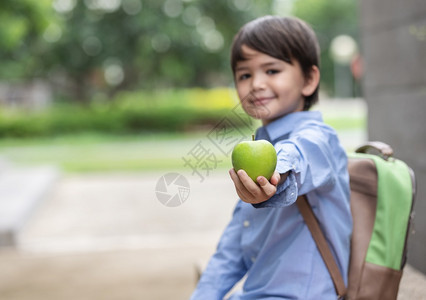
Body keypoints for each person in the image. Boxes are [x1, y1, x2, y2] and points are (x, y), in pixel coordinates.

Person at [190, 16, 352, 299]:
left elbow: (299, 155)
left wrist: (276, 175)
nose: (256, 84)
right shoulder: (259, 149)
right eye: (245, 75)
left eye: (272, 70)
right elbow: (232, 250)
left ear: (309, 79)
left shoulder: (319, 137)